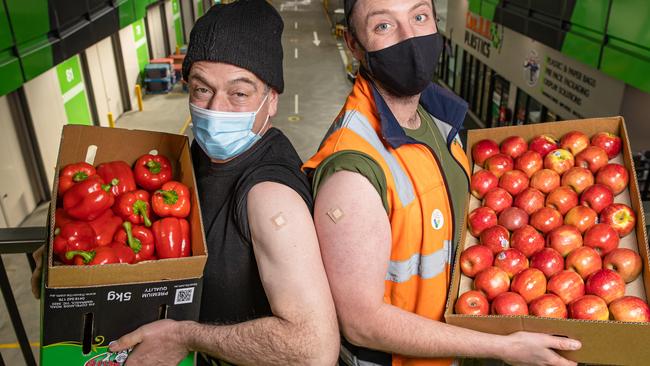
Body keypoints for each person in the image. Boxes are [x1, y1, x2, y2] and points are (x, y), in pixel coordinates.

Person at [33, 1, 339, 365]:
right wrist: (62, 257)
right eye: (201, 89)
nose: (216, 109)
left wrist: (185, 336)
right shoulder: (204, 153)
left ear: (271, 100)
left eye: (239, 93)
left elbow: (313, 349)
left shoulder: (270, 196)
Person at [302, 1, 582, 365]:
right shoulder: (354, 172)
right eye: (384, 26)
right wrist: (502, 347)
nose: (410, 38)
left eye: (419, 17)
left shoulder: (436, 119)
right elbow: (362, 324)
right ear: (354, 45)